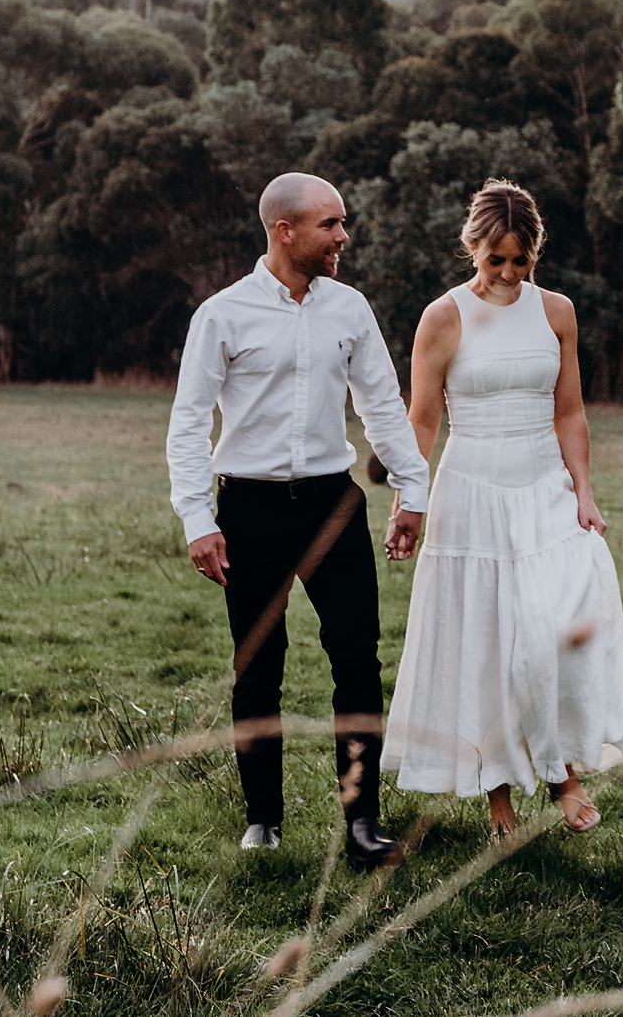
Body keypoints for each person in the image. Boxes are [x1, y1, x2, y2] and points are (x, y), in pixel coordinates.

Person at [166, 171, 430, 867]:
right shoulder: (222, 314)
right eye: (330, 224)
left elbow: (382, 406)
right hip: (247, 509)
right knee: (257, 668)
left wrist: (413, 490)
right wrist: (197, 516)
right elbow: (189, 422)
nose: (343, 236)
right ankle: (263, 821)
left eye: (342, 223)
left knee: (358, 661)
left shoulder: (350, 309)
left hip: (331, 504)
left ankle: (362, 824)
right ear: (285, 231)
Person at [382, 179, 623, 836]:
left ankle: (562, 772)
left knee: (559, 629)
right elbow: (423, 419)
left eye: (519, 260)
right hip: (471, 492)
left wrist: (584, 491)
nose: (506, 273)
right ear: (472, 247)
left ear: (535, 254)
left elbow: (570, 411)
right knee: (482, 640)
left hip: (545, 489)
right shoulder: (443, 317)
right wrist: (409, 502)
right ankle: (495, 792)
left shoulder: (557, 312)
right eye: (494, 259)